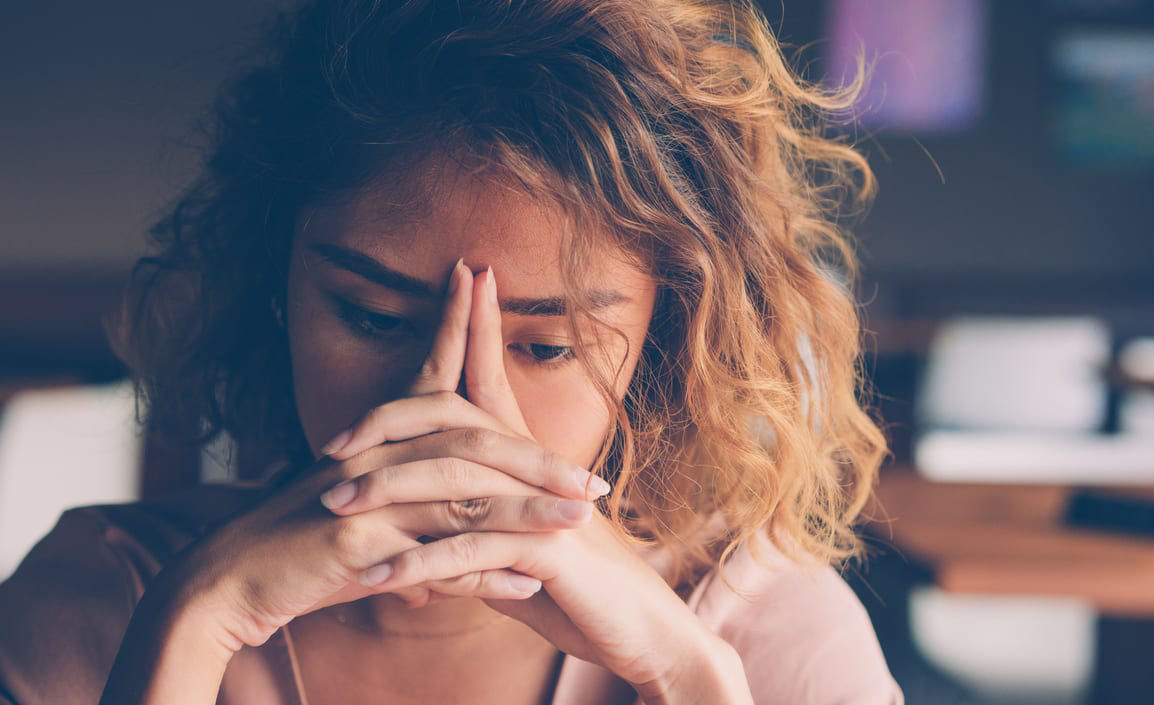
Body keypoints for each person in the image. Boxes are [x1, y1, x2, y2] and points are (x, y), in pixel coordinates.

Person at [0, 0, 902, 703]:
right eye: (374, 318)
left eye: (549, 346)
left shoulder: (763, 633)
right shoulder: (103, 599)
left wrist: (689, 680)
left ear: (661, 346)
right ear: (274, 288)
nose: (456, 411)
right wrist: (195, 625)